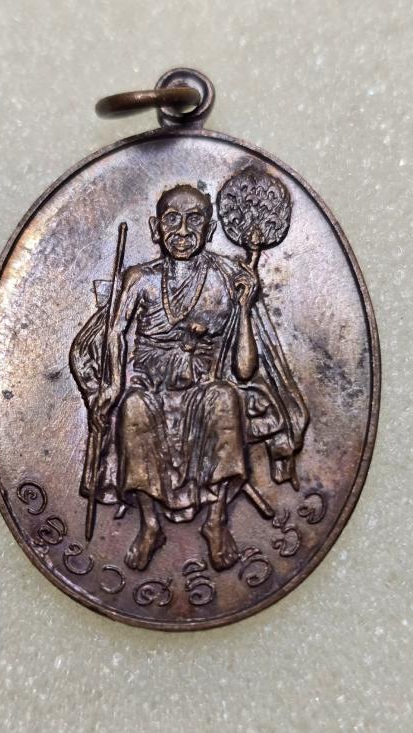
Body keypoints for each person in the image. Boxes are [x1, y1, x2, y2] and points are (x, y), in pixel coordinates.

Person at [71, 183, 307, 571]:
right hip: (148, 387)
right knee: (132, 407)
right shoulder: (140, 278)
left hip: (202, 388)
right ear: (155, 228)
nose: (182, 231)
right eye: (172, 220)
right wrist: (111, 385)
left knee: (225, 398)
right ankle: (150, 525)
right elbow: (114, 332)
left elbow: (244, 370)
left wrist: (244, 307)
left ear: (210, 230)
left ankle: (216, 521)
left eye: (194, 220)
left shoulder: (226, 278)